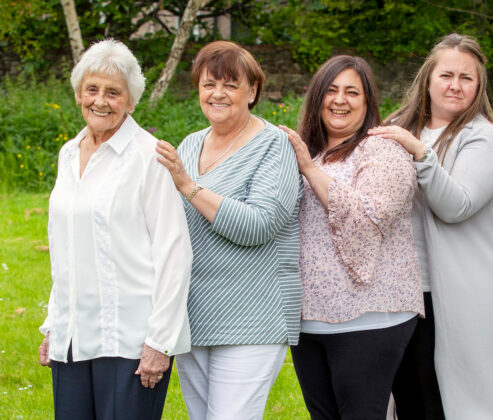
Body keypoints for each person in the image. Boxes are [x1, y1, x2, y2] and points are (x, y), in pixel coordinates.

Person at [37, 39, 193, 419]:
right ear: (78, 94)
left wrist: (160, 341)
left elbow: (174, 252)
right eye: (92, 89)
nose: (100, 101)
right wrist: (54, 324)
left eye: (113, 92)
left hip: (132, 342)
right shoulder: (68, 153)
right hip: (74, 338)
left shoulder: (150, 155)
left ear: (131, 101)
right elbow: (66, 247)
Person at [369, 33, 493, 418]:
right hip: (403, 289)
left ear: (479, 86)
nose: (455, 85)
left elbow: (457, 205)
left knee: (455, 400)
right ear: (428, 79)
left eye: (466, 78)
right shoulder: (398, 125)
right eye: (446, 75)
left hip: (462, 288)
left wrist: (419, 152)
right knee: (408, 394)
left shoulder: (484, 138)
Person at [155, 41, 302, 419]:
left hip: (253, 316)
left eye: (230, 85)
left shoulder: (273, 145)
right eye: (208, 84)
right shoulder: (189, 145)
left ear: (252, 91)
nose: (217, 93)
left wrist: (189, 186)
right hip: (193, 315)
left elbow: (261, 224)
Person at [278, 55, 424, 419]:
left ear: (367, 101)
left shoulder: (383, 150)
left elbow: (368, 218)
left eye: (351, 92)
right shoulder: (308, 151)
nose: (339, 100)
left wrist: (309, 170)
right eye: (330, 90)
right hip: (309, 317)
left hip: (370, 315)